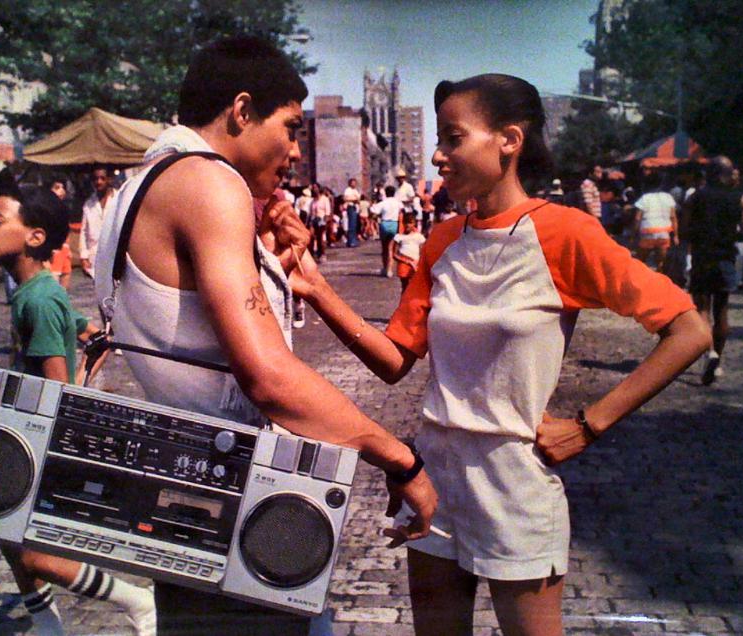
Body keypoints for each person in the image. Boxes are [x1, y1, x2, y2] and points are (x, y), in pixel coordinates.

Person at [284, 73, 711, 636]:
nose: (438, 154)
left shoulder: (565, 234)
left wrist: (589, 424)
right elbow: (393, 360)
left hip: (515, 485)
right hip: (433, 480)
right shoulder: (441, 242)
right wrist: (316, 288)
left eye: (453, 138)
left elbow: (689, 331)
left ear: (508, 139)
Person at [93, 36, 436, 635]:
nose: (295, 150)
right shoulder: (207, 182)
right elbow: (268, 377)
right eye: (290, 127)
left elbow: (187, 319)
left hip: (186, 482)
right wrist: (400, 459)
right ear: (242, 111)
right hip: (233, 494)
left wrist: (274, 261)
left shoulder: (142, 182)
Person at [0, 186, 156, 636]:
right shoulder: (39, 293)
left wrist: (75, 380)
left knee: (37, 556)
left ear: (35, 237)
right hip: (30, 433)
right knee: (4, 532)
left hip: (42, 438)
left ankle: (137, 601)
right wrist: (87, 330)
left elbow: (58, 388)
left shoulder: (37, 300)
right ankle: (47, 626)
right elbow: (72, 323)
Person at [683, 155, 743, 386]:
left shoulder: (695, 197)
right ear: (727, 174)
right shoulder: (740, 199)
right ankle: (718, 360)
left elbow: (685, 229)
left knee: (702, 308)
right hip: (726, 258)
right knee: (722, 310)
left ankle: (709, 351)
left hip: (703, 257)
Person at [632, 172, 678, 271]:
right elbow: (673, 217)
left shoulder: (644, 198)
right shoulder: (668, 198)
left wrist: (633, 235)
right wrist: (675, 236)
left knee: (640, 263)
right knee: (661, 263)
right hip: (663, 234)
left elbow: (637, 218)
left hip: (647, 233)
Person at [79, 166, 114, 279]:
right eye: (96, 179)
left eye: (102, 178)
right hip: (95, 256)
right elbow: (83, 231)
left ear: (109, 179)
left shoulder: (118, 199)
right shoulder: (89, 203)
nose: (99, 182)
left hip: (114, 254)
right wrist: (84, 256)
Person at [46, 179, 73, 289]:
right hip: (54, 249)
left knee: (66, 274)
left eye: (62, 188)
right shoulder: (47, 209)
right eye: (57, 188)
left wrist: (68, 248)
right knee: (55, 278)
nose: (61, 191)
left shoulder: (64, 207)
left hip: (64, 248)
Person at [372, 185, 403, 277]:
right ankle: (390, 270)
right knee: (391, 248)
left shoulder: (383, 202)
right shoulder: (398, 202)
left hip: (384, 224)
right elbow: (402, 211)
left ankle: (385, 268)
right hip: (394, 224)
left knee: (384, 248)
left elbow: (374, 211)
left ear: (386, 193)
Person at [391, 212, 426, 292]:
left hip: (415, 263)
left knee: (415, 286)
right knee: (405, 286)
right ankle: (404, 303)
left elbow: (424, 251)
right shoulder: (399, 237)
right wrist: (407, 262)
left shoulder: (419, 237)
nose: (407, 225)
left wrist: (419, 262)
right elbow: (394, 254)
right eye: (405, 222)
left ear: (414, 224)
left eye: (410, 223)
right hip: (404, 263)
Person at [342, 177, 361, 247]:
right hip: (351, 207)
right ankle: (351, 241)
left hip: (355, 207)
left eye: (355, 182)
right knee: (351, 225)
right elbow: (345, 198)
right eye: (353, 182)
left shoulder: (355, 190)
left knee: (355, 225)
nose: (354, 184)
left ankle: (354, 240)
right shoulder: (348, 190)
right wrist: (354, 200)